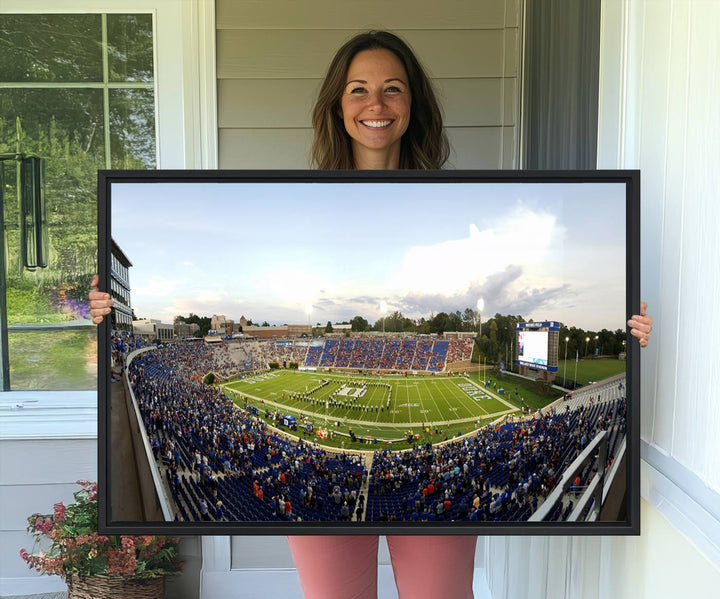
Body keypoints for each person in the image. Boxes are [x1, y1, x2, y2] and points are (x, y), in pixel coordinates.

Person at [89, 29, 653, 599]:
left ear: (413, 105)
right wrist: (106, 313)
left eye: (393, 89)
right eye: (358, 89)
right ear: (338, 105)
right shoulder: (303, 201)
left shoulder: (452, 201)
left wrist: (631, 335)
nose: (375, 105)